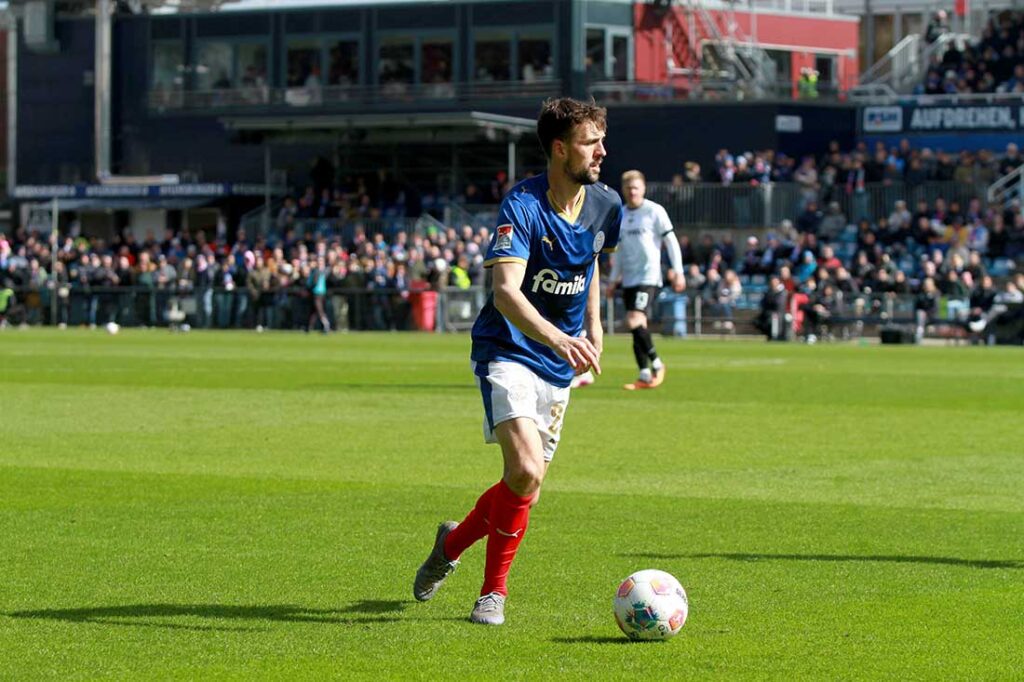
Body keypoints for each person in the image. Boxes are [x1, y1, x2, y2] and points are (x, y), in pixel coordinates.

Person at [412, 97, 621, 626]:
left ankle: (450, 545)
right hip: (508, 350)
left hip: (559, 361)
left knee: (526, 486)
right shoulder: (522, 206)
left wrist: (594, 327)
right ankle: (493, 594)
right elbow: (505, 292)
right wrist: (559, 337)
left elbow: (593, 259)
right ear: (560, 149)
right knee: (525, 470)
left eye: (602, 140)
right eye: (590, 142)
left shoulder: (606, 204)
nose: (602, 151)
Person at [602, 170, 684, 390]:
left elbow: (671, 241)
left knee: (633, 320)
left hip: (648, 276)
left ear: (643, 189)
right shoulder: (620, 215)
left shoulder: (654, 211)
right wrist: (613, 280)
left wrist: (678, 271)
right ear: (623, 190)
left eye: (636, 188)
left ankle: (657, 364)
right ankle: (644, 375)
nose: (632, 192)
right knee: (638, 327)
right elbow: (618, 252)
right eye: (628, 188)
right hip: (629, 278)